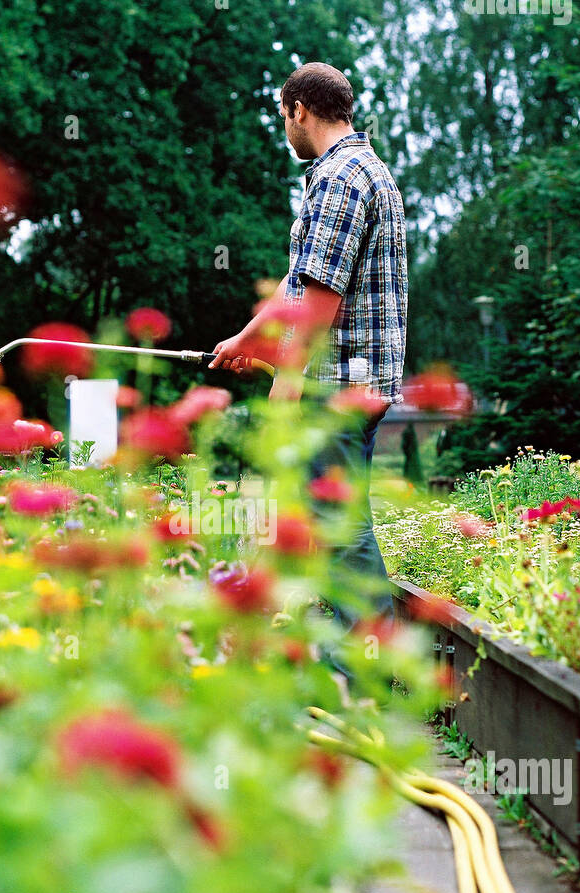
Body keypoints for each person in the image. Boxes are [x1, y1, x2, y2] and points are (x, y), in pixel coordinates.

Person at [211, 61, 409, 653]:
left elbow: (322, 295)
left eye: (283, 118)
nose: (285, 131)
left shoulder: (340, 177)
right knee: (332, 526)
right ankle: (350, 666)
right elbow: (300, 281)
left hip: (338, 383)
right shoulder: (362, 169)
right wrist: (248, 339)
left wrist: (288, 379)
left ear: (300, 109)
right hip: (358, 379)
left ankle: (361, 677)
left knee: (340, 531)